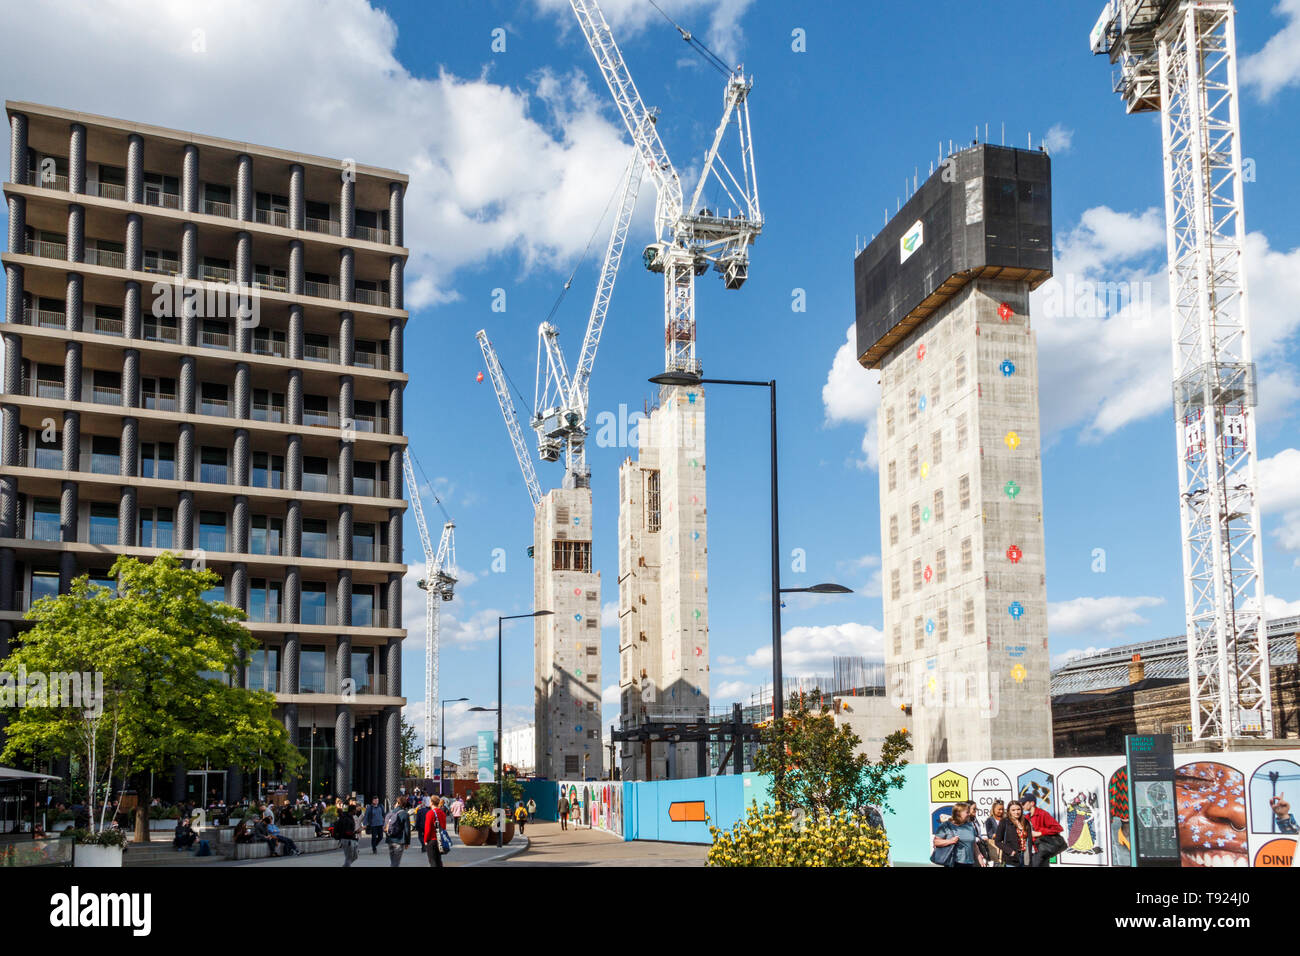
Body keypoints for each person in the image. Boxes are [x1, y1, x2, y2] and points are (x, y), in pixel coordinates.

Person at [1020, 793, 1065, 867]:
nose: (1022, 805)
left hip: (1041, 850)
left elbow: (1058, 828)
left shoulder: (1042, 814)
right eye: (1021, 803)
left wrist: (1040, 833)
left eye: (1024, 803)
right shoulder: (1027, 817)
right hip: (1030, 851)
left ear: (1032, 803)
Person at [995, 800, 1034, 867]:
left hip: (1025, 857)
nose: (1016, 812)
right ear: (1009, 811)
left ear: (1021, 810)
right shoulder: (1004, 822)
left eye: (1018, 809)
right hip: (1011, 858)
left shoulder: (1026, 822)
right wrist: (1010, 851)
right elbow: (997, 841)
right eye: (1013, 810)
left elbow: (1029, 840)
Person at [385, 796, 410, 867]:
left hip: (390, 840)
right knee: (396, 862)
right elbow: (407, 830)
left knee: (393, 861)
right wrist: (407, 842)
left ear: (398, 803)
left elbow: (385, 827)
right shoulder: (405, 814)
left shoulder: (391, 813)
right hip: (399, 841)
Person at [424, 797, 449, 868]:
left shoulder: (430, 813)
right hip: (440, 840)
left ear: (432, 802)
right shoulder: (442, 813)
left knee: (433, 861)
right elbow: (444, 827)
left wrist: (425, 840)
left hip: (432, 840)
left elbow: (427, 829)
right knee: (438, 860)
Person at [333, 800, 359, 867]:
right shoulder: (346, 819)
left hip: (348, 839)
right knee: (349, 858)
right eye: (355, 810)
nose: (356, 811)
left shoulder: (349, 817)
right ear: (352, 811)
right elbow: (346, 831)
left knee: (354, 857)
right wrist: (355, 832)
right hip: (347, 840)